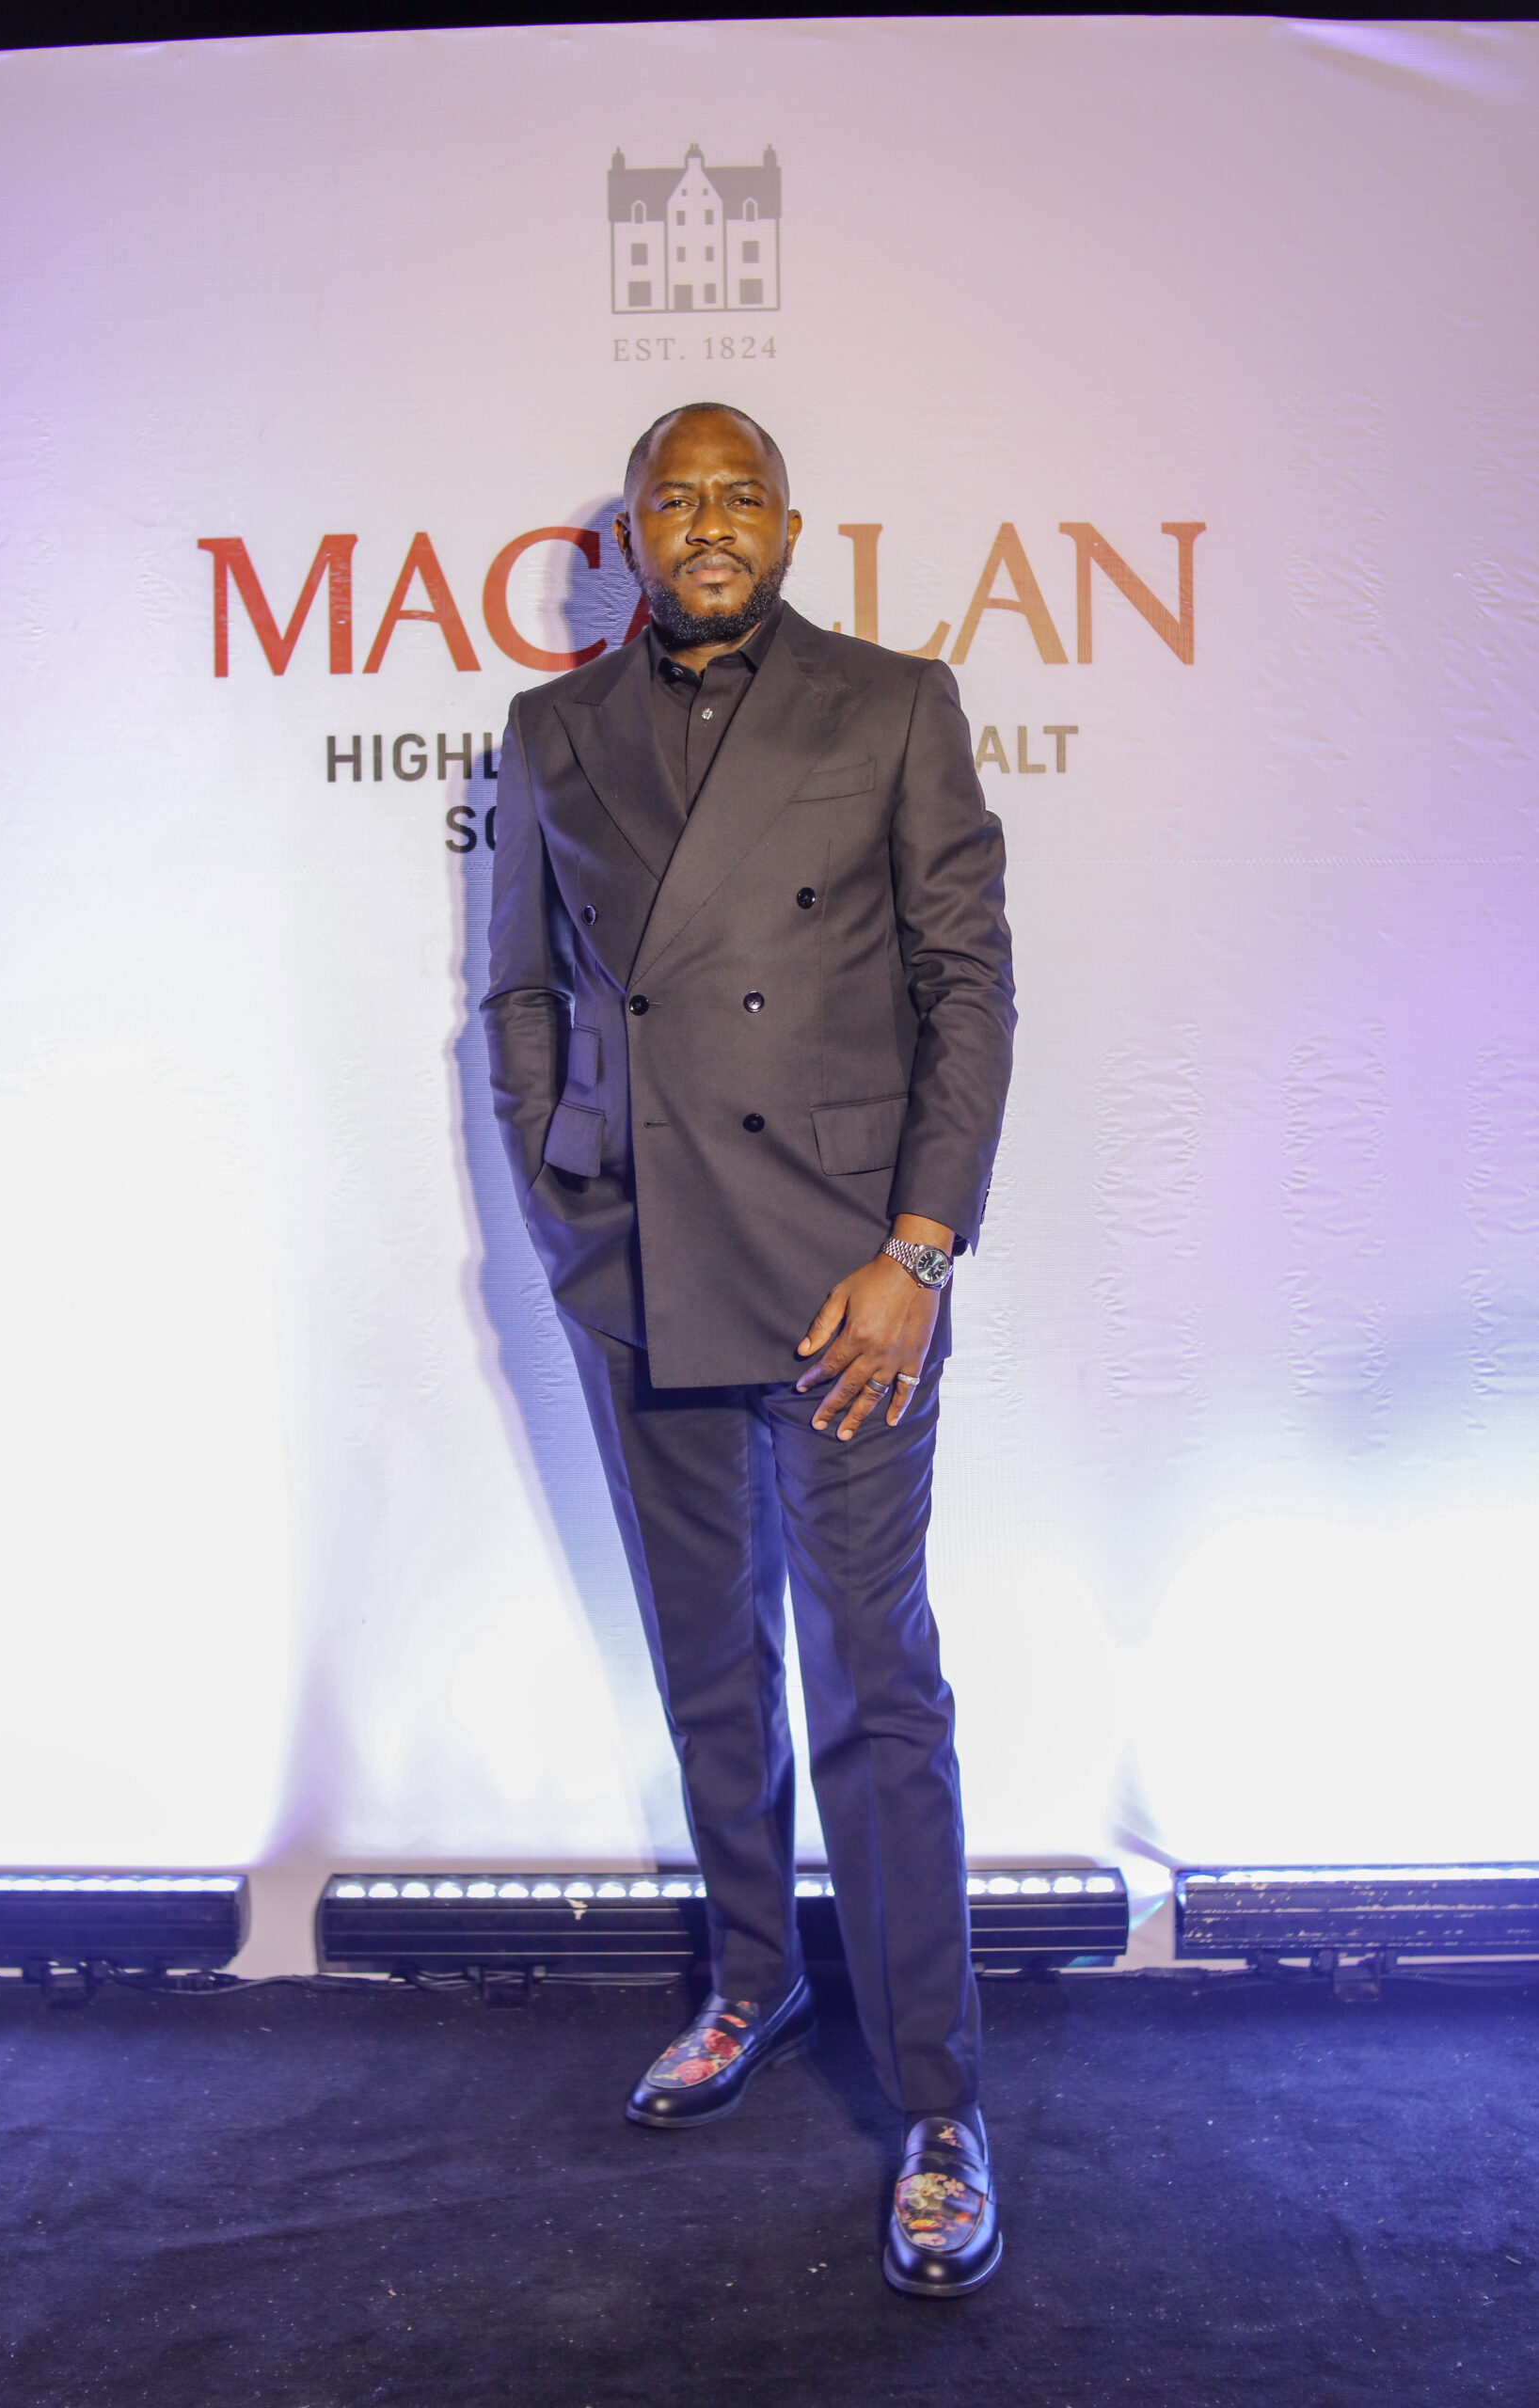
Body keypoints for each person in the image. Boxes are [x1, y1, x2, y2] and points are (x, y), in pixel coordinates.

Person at [481, 403, 1015, 2297]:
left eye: (738, 496)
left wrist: (916, 1251)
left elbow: (967, 984)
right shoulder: (549, 730)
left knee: (876, 1679)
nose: (705, 523)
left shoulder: (895, 703)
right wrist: (568, 1213)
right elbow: (518, 991)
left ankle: (939, 2102)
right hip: (641, 1261)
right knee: (706, 1656)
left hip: (842, 1275)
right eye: (671, 499)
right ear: (628, 535)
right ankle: (754, 1978)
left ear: (788, 527)